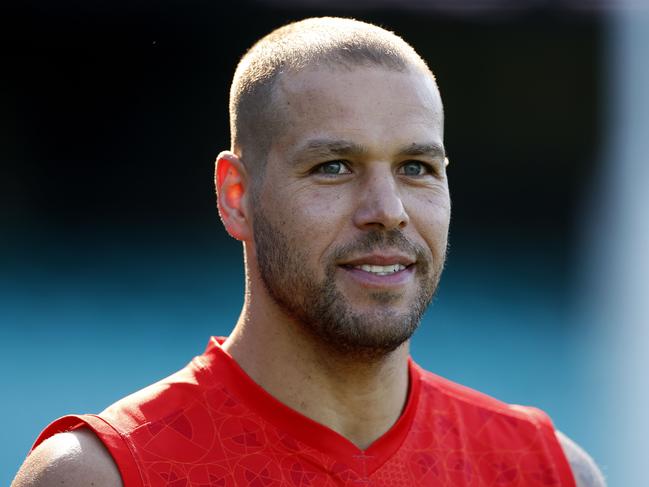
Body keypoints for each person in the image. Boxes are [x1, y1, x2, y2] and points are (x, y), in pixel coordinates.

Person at [12, 17, 605, 487]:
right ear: (236, 197)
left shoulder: (548, 472)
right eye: (334, 167)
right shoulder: (103, 476)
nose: (388, 208)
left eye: (416, 168)